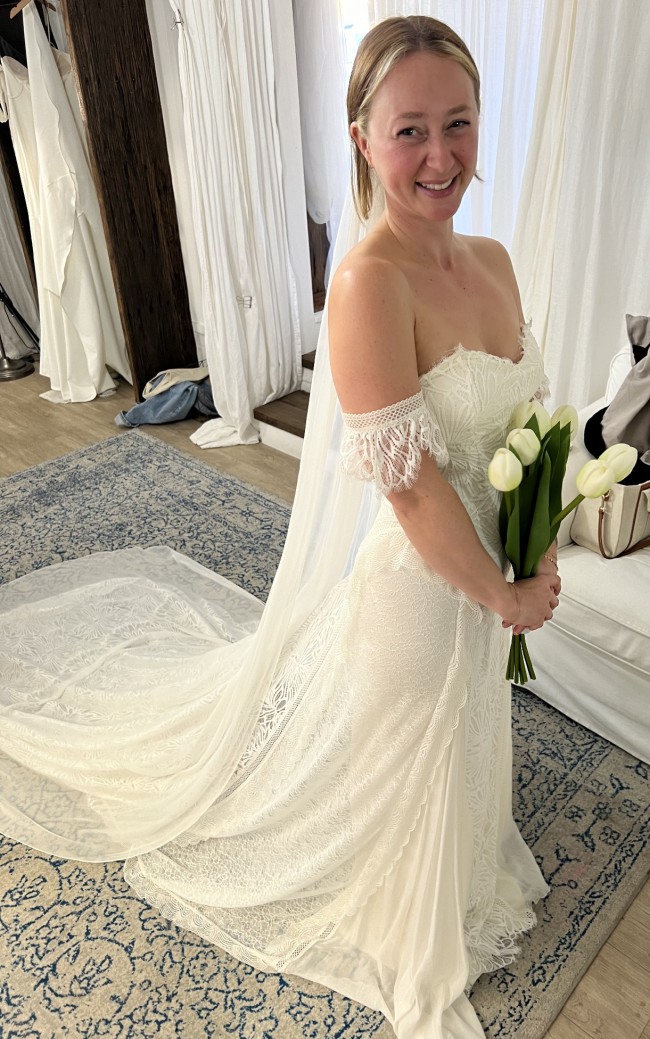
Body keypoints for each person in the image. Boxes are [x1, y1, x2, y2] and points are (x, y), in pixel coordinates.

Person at [0, 16, 559, 1039]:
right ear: (362, 139)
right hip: (424, 594)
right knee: (394, 787)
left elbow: (530, 431)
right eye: (409, 131)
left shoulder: (494, 260)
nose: (440, 156)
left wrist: (540, 545)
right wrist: (502, 592)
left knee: (461, 759)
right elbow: (411, 491)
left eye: (459, 123)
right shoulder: (367, 281)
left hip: (489, 577)